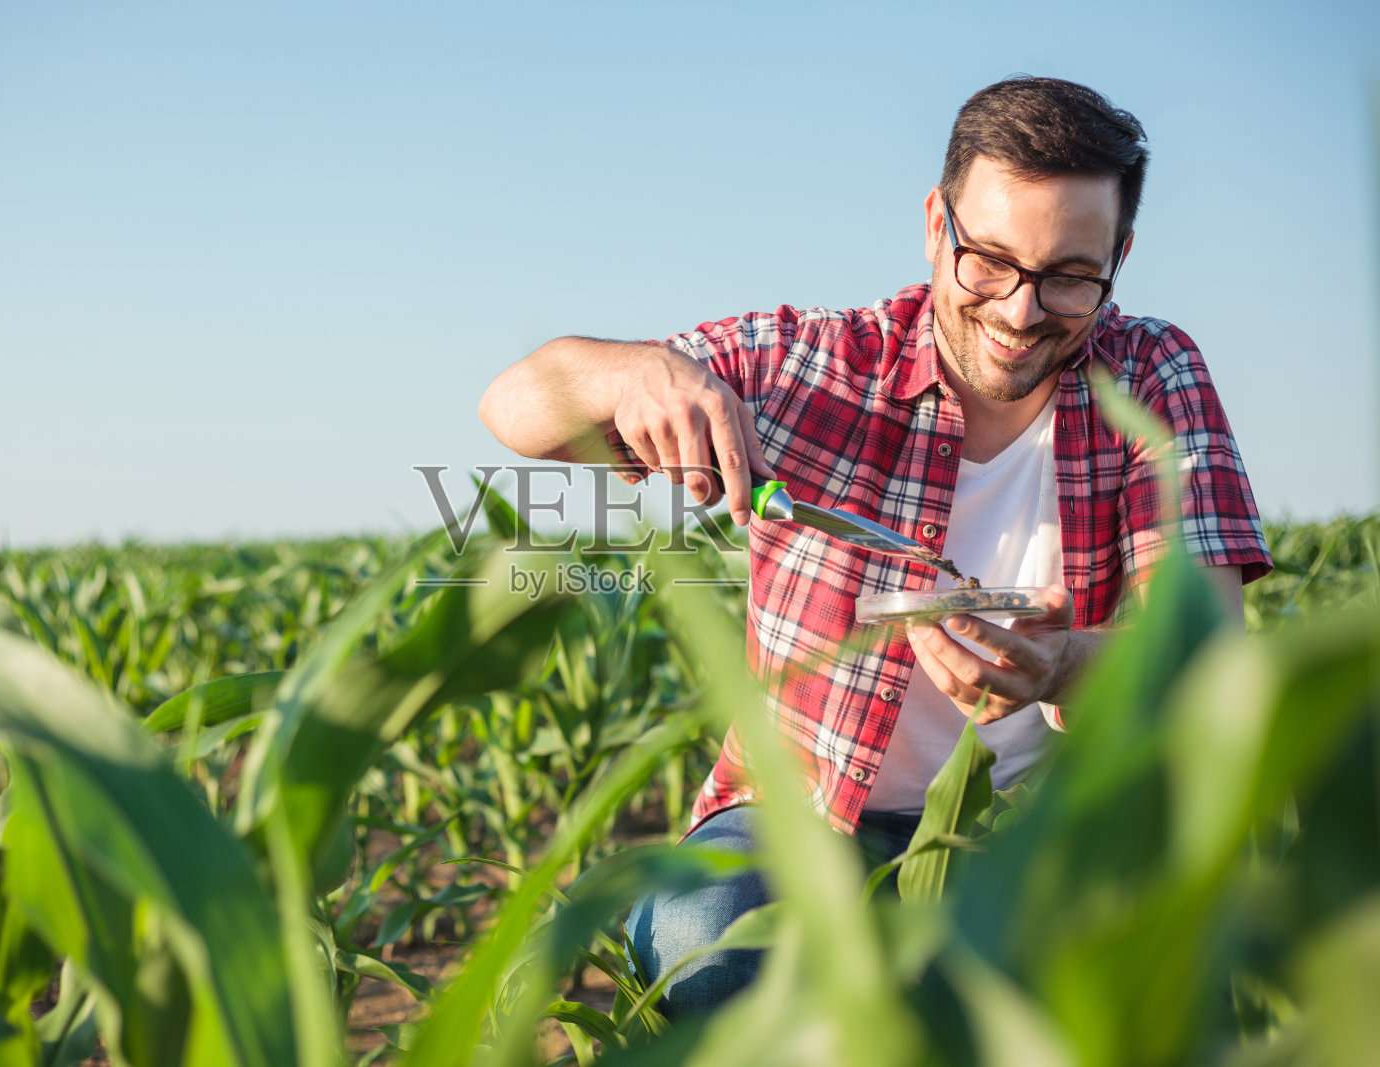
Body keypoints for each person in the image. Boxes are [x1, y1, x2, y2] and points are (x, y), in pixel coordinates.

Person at [477, 75, 1272, 1017]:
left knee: (1184, 966)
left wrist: (1061, 666)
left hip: (1046, 820)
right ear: (937, 224)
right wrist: (640, 373)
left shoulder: (1151, 375)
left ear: (1119, 256)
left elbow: (1204, 650)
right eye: (989, 260)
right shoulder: (810, 365)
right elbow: (515, 406)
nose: (1022, 311)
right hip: (799, 816)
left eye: (1070, 274)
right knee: (703, 939)